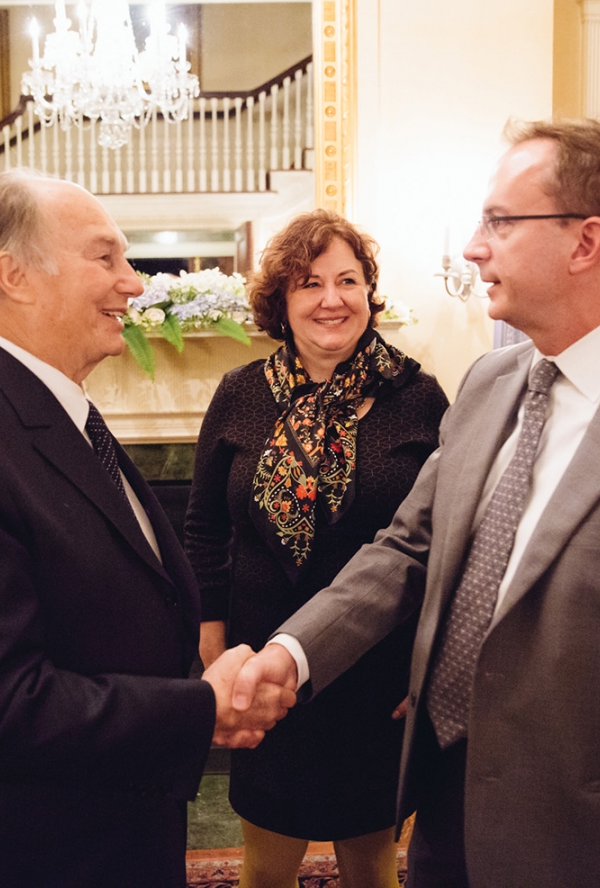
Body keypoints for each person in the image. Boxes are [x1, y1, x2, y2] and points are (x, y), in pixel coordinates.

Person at [232, 120, 600, 887]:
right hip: (442, 808)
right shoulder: (488, 385)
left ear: (585, 242)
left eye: (500, 221)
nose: (474, 246)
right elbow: (407, 549)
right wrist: (291, 655)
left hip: (590, 842)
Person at [0, 168, 294, 888]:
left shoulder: (54, 410)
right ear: (16, 276)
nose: (135, 283)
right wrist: (200, 709)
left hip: (100, 829)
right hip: (14, 854)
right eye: (106, 258)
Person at [185, 210, 449, 888]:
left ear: (369, 292)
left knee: (372, 865)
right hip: (265, 666)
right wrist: (212, 641)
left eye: (348, 280)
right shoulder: (241, 394)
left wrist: (429, 666)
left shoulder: (420, 399)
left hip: (377, 672)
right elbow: (205, 527)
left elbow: (448, 541)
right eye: (310, 283)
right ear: (283, 301)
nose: (332, 299)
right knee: (267, 865)